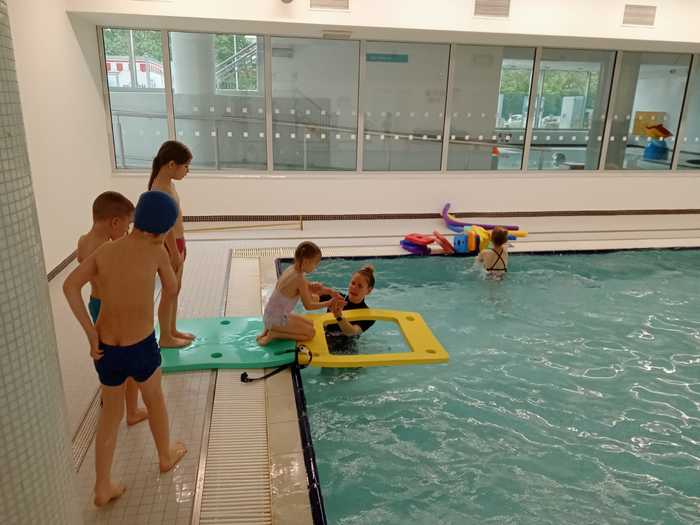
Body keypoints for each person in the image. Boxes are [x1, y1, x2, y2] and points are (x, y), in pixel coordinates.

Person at [63, 191, 187, 507]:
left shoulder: (105, 250)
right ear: (163, 229)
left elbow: (69, 286)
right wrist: (172, 261)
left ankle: (102, 486)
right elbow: (172, 289)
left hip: (106, 348)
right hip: (140, 346)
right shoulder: (156, 253)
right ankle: (164, 455)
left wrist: (90, 334)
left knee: (110, 415)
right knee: (155, 399)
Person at [77, 191, 148, 427]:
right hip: (112, 307)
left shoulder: (83, 241)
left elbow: (83, 266)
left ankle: (109, 392)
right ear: (115, 222)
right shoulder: (107, 248)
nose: (127, 232)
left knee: (106, 353)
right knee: (129, 357)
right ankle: (132, 411)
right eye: (127, 226)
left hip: (94, 303)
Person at [148, 140, 194, 349]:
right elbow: (164, 227)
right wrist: (175, 252)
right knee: (169, 291)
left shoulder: (169, 185)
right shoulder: (159, 190)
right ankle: (165, 337)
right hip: (169, 246)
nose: (187, 171)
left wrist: (182, 244)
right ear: (171, 164)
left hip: (178, 242)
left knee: (175, 289)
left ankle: (172, 330)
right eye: (186, 166)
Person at [256, 241, 343, 346]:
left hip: (270, 315)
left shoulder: (291, 269)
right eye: (315, 264)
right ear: (306, 262)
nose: (315, 268)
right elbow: (308, 306)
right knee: (311, 333)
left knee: (311, 323)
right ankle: (275, 333)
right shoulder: (299, 279)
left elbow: (309, 287)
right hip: (277, 320)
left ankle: (270, 328)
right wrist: (329, 303)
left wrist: (330, 292)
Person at [319, 265, 376, 353]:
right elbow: (312, 299)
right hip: (325, 341)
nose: (354, 287)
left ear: (368, 290)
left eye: (360, 286)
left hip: (346, 350)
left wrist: (339, 316)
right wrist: (314, 289)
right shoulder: (336, 297)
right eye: (353, 283)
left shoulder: (368, 316)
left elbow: (352, 332)